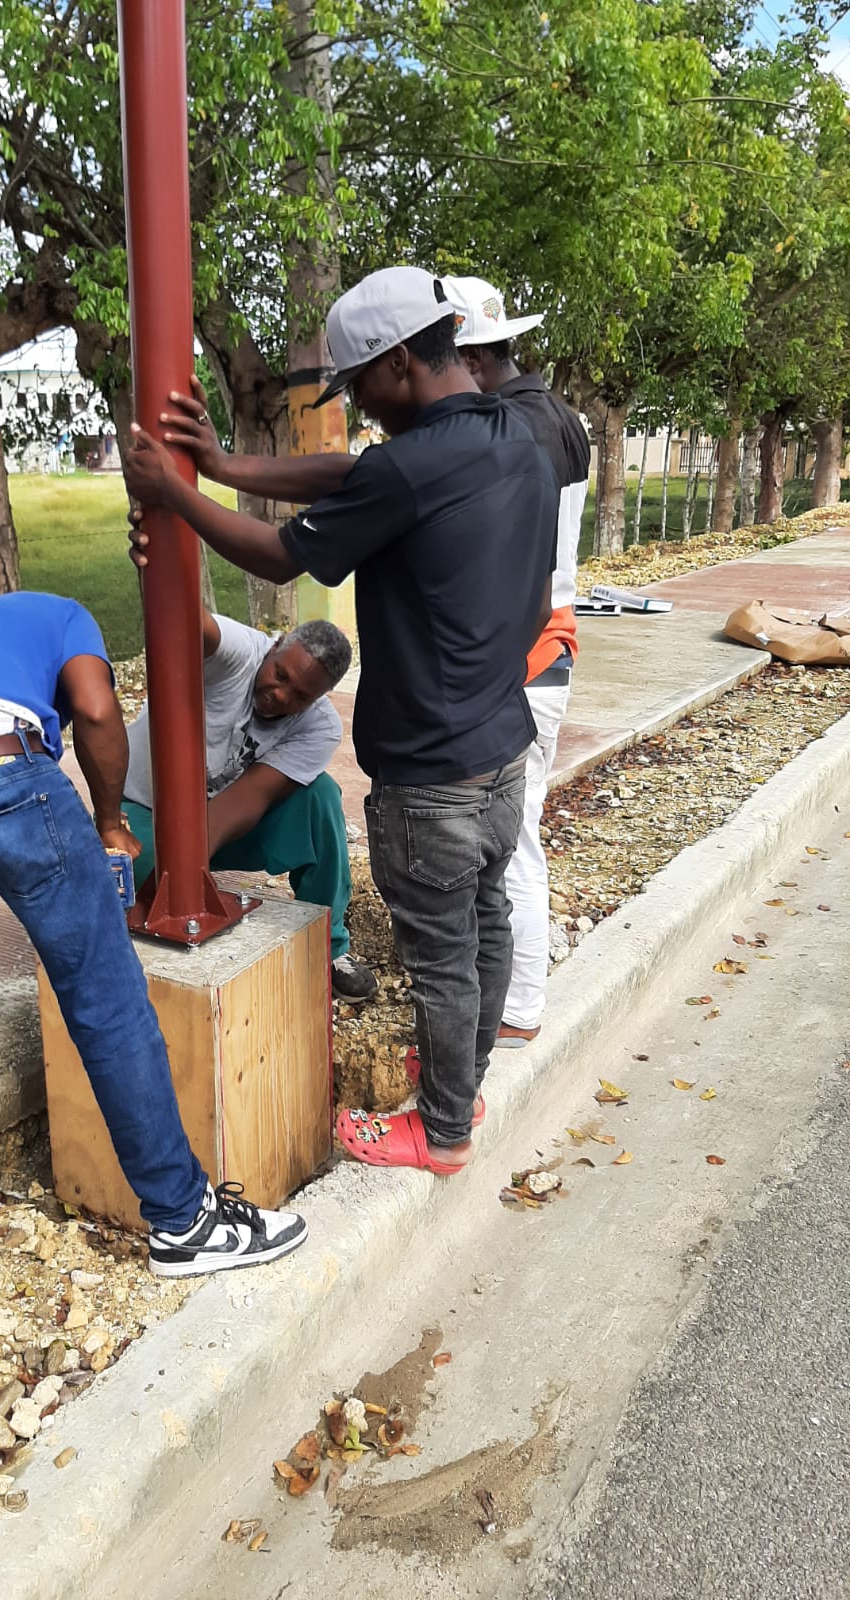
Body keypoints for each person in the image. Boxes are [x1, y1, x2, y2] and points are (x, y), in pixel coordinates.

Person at [122, 266, 558, 1178]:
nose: (358, 405)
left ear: (398, 363)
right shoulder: (514, 432)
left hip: (431, 773)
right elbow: (356, 476)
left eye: (358, 385)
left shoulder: (408, 468)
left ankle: (442, 1131)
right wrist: (225, 467)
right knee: (486, 924)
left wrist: (179, 493)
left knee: (443, 956)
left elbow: (282, 557)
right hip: (501, 749)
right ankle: (462, 1081)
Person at [0, 592, 307, 1278]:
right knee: (103, 990)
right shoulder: (70, 615)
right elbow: (97, 709)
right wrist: (108, 822)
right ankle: (185, 1221)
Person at [445, 276, 591, 1048]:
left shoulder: (507, 430)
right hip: (547, 651)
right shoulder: (561, 418)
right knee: (512, 835)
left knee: (513, 841)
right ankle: (511, 995)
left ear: (470, 359)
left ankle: (519, 1006)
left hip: (521, 661)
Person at [122, 591, 378, 1002]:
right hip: (145, 809)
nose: (281, 695)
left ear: (318, 698)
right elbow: (185, 618)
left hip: (224, 823)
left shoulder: (319, 727)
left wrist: (185, 873)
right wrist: (153, 568)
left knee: (321, 796)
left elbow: (245, 803)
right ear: (275, 646)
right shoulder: (239, 652)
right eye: (281, 675)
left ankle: (328, 949)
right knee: (136, 892)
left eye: (300, 696)